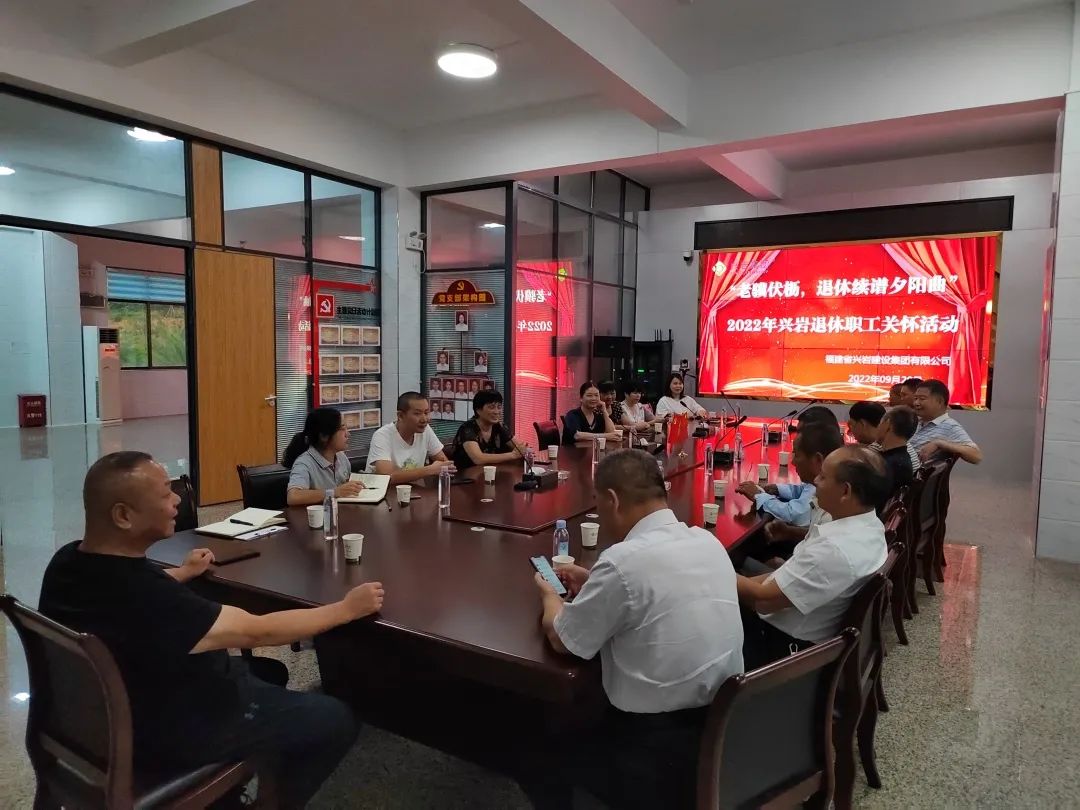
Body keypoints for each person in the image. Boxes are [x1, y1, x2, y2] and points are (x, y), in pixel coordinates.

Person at [38, 452, 384, 809]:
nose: (176, 500)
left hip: (116, 712)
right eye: (165, 494)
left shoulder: (67, 562)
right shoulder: (152, 598)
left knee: (269, 672)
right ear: (123, 516)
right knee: (336, 719)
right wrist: (346, 609)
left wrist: (182, 573)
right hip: (175, 727)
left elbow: (122, 597)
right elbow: (257, 632)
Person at [531, 449, 743, 809]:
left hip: (651, 750)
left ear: (612, 500)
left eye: (598, 501)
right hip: (721, 728)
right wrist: (595, 581)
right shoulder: (707, 541)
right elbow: (654, 588)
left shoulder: (622, 562)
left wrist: (549, 594)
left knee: (538, 751)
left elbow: (562, 638)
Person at [736, 445, 889, 669]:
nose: (815, 481)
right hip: (807, 632)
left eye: (823, 477)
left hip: (786, 650)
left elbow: (764, 601)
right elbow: (775, 583)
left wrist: (715, 569)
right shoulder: (870, 526)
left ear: (845, 491)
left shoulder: (833, 550)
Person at [736, 422, 844, 529]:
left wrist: (758, 495)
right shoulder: (821, 484)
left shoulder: (829, 495)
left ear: (817, 460)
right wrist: (777, 489)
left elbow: (796, 515)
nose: (793, 462)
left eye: (796, 455)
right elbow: (805, 490)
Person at [366, 392, 454, 483]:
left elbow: (445, 465)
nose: (424, 419)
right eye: (417, 414)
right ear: (400, 416)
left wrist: (445, 468)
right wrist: (430, 470)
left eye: (426, 413)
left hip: (414, 490)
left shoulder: (426, 430)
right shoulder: (382, 435)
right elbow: (387, 477)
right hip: (383, 491)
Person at [284, 407, 364, 506]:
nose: (348, 434)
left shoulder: (341, 457)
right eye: (342, 429)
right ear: (324, 436)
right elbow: (293, 497)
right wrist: (334, 492)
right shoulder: (304, 463)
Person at [910, 379, 983, 464]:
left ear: (940, 402)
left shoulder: (949, 426)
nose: (916, 403)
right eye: (915, 398)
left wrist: (940, 444)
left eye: (922, 399)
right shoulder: (915, 422)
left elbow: (976, 456)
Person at [451, 389, 526, 469]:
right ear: (478, 410)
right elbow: (478, 459)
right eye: (491, 407)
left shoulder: (499, 426)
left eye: (499, 407)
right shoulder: (467, 428)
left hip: (493, 472)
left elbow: (519, 447)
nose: (496, 412)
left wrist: (526, 451)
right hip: (465, 474)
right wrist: (513, 455)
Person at [876, 405, 917, 494]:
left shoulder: (882, 465)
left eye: (879, 423)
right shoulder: (902, 460)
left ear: (888, 424)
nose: (877, 428)